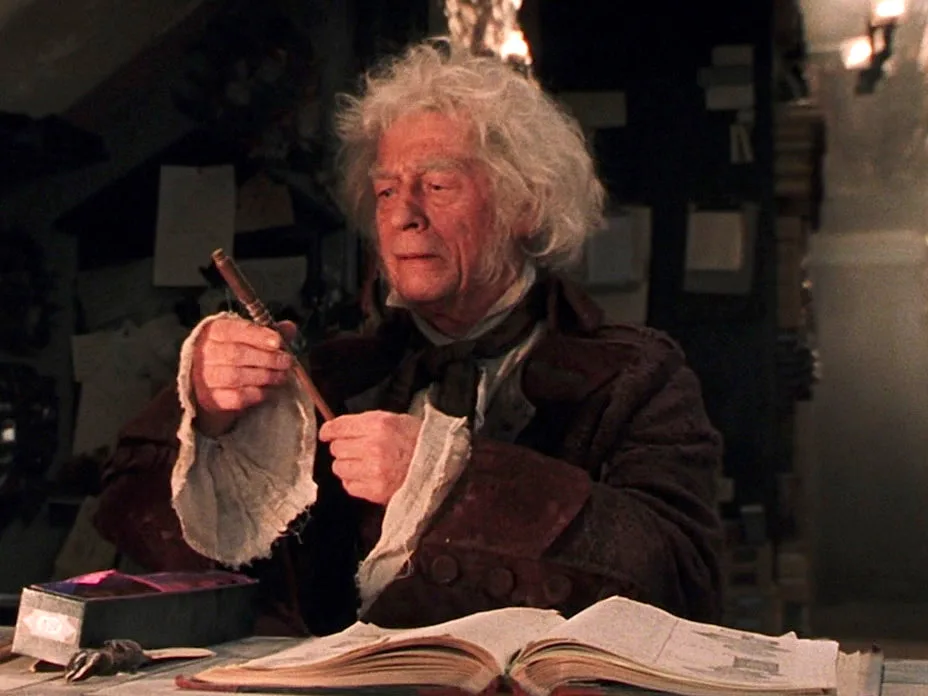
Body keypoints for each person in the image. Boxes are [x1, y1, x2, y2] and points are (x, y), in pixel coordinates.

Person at [93, 38, 724, 637]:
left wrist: (452, 478)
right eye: (386, 191)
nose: (402, 214)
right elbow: (140, 540)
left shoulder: (637, 376)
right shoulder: (333, 371)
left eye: (439, 186)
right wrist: (206, 413)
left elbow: (680, 580)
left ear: (526, 204)